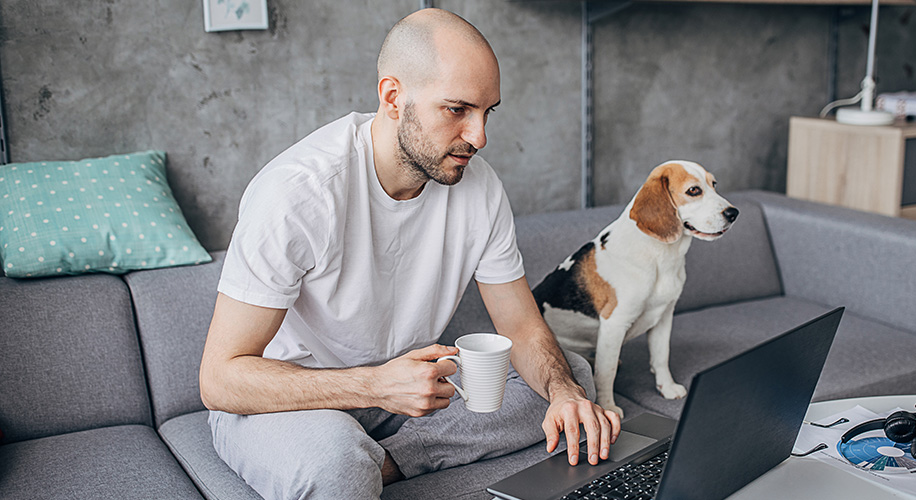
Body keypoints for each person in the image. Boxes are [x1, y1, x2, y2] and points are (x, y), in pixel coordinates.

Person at [198, 8, 621, 500]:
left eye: (488, 112)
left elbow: (521, 327)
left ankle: (392, 461)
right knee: (335, 466)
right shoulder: (298, 192)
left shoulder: (479, 188)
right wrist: (375, 386)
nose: (480, 137)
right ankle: (356, 460)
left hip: (405, 389)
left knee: (571, 380)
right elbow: (220, 378)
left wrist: (563, 393)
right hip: (290, 401)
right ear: (394, 97)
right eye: (458, 109)